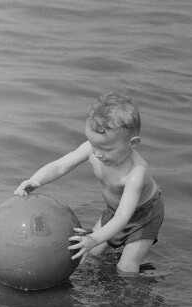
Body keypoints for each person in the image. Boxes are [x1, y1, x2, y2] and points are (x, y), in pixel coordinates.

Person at [14, 92, 164, 274]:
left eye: (107, 149)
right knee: (91, 253)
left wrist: (94, 238)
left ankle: (139, 291)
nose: (98, 154)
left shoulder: (136, 172)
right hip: (115, 210)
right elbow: (60, 166)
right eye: (94, 145)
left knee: (126, 268)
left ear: (132, 144)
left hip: (144, 217)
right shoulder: (92, 150)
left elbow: (123, 217)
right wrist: (36, 179)